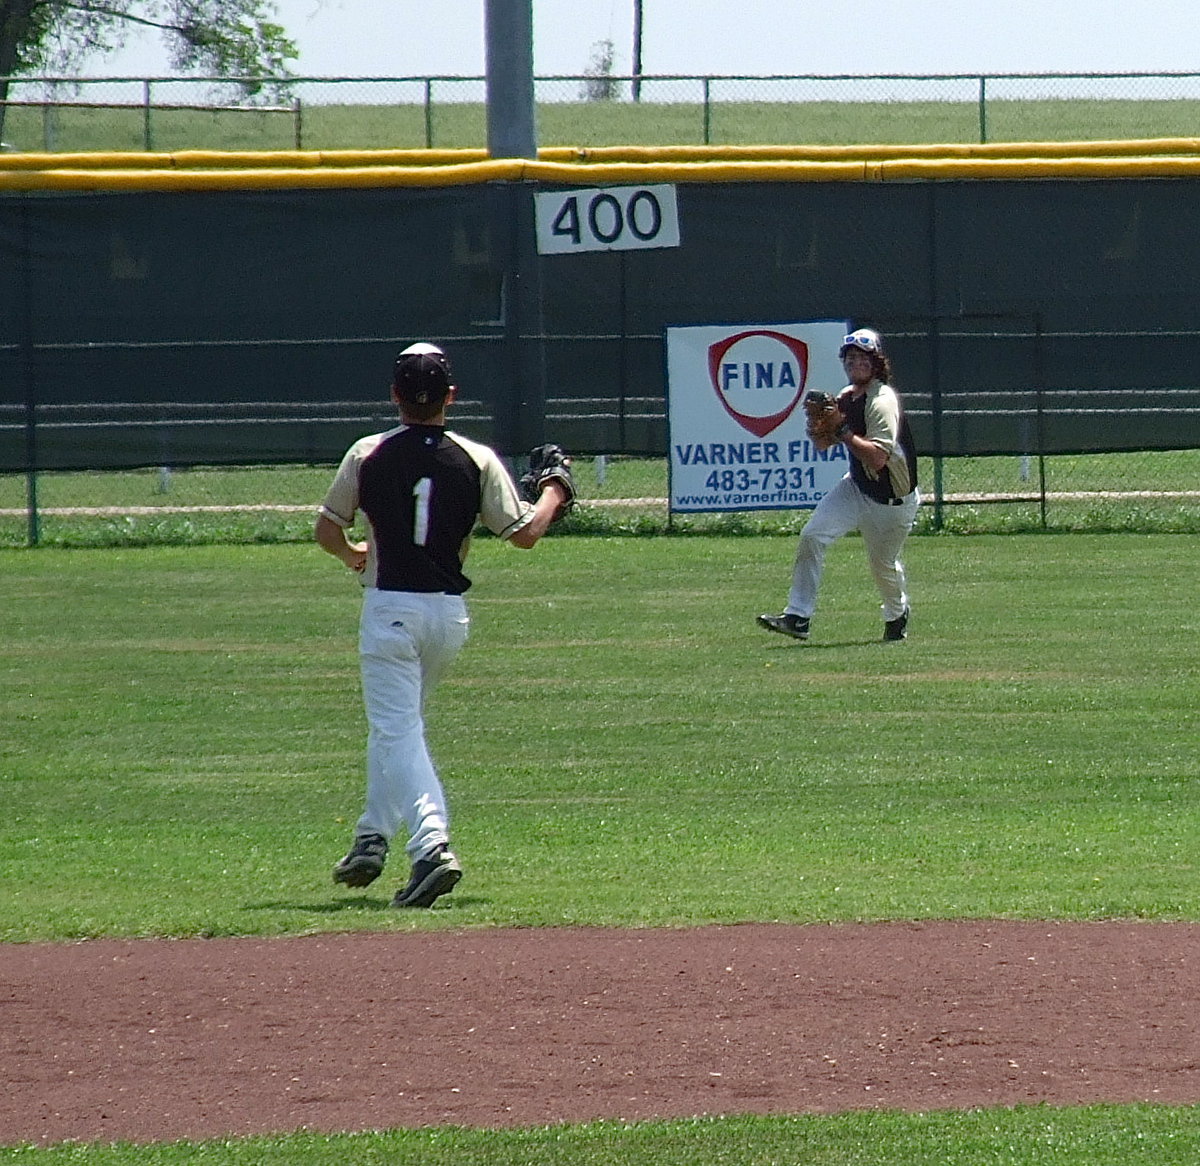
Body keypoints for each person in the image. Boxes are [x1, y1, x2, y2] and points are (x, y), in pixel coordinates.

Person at [316, 342, 568, 908]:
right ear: (451, 397)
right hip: (447, 618)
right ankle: (372, 836)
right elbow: (525, 533)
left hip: (390, 611)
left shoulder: (367, 452)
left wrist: (357, 555)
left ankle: (431, 848)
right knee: (399, 728)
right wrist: (555, 491)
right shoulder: (475, 457)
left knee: (398, 730)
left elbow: (328, 531)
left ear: (394, 396)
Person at [757, 327, 919, 643]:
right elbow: (823, 445)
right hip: (857, 488)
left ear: (876, 363)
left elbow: (877, 459)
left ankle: (897, 614)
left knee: (882, 567)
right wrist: (820, 430)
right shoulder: (846, 397)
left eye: (862, 357)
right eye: (850, 357)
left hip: (892, 502)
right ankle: (798, 617)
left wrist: (842, 430)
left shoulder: (882, 401)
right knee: (812, 536)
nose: (855, 363)